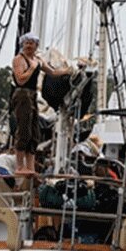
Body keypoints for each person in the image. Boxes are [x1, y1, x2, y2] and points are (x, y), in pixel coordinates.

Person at [11, 32, 72, 177]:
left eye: (32, 43)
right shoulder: (19, 60)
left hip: (32, 95)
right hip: (22, 93)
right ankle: (20, 166)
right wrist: (32, 68)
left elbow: (51, 72)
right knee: (23, 129)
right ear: (22, 44)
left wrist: (68, 71)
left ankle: (30, 166)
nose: (29, 46)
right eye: (27, 43)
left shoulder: (37, 59)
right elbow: (20, 79)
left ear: (36, 45)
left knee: (34, 132)